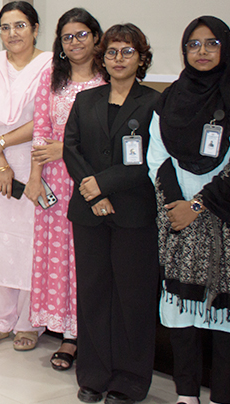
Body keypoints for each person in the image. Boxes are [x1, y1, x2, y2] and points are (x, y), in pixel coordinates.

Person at [148, 16, 230, 404]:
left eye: (211, 44)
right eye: (193, 44)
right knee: (181, 313)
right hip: (176, 218)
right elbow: (156, 158)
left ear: (226, 48)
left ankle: (224, 396)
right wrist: (177, 207)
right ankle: (186, 395)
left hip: (227, 221)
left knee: (226, 317)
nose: (202, 52)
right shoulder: (170, 98)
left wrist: (199, 206)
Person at [64, 23, 159, 404]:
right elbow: (71, 147)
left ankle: (131, 380)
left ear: (141, 58)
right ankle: (93, 375)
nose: (118, 59)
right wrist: (92, 192)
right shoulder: (86, 100)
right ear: (102, 58)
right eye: (112, 52)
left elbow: (151, 160)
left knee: (132, 298)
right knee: (93, 294)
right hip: (89, 214)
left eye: (127, 52)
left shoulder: (154, 103)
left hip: (134, 213)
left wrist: (103, 185)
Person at [24, 8, 105, 371]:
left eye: (82, 34)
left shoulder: (107, 79)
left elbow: (108, 138)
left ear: (96, 37)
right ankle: (67, 335)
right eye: (68, 36)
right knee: (57, 262)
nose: (75, 42)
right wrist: (35, 175)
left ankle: (88, 335)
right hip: (54, 184)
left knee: (86, 262)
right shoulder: (52, 79)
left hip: (89, 181)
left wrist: (65, 149)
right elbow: (41, 130)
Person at [0, 0, 51, 350]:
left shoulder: (50, 65)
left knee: (27, 244)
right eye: (5, 27)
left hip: (33, 160)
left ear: (35, 28)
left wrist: (2, 144)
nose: (12, 33)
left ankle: (28, 322)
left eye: (20, 25)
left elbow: (45, 120)